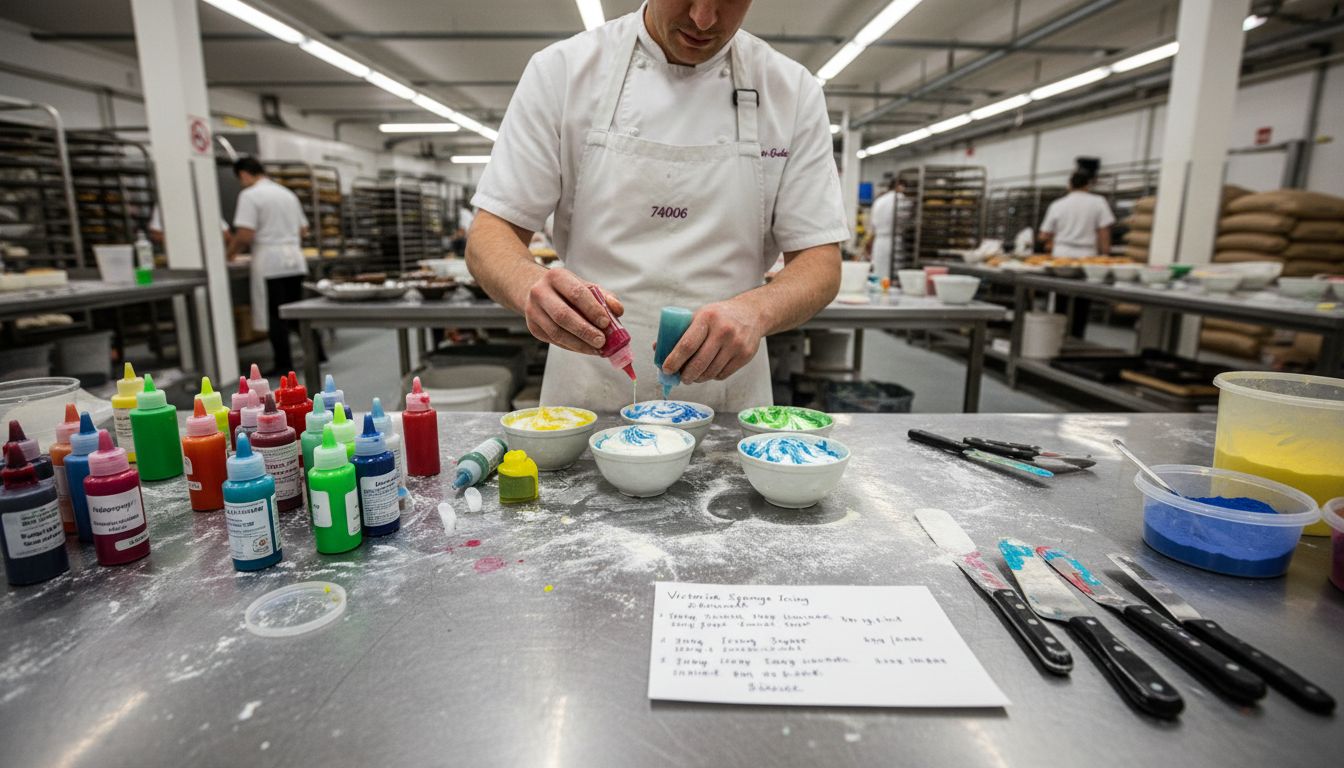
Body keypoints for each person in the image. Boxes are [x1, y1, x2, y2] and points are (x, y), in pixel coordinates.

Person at [465, 0, 847, 411]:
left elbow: (820, 262)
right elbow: (490, 236)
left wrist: (758, 311)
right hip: (586, 401)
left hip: (725, 403)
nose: (704, 18)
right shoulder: (562, 71)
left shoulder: (791, 89)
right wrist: (529, 285)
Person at [226, 156, 309, 374]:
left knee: (276, 315)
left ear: (244, 174)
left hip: (270, 261)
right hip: (294, 258)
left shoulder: (250, 195)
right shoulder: (287, 193)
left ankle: (284, 364)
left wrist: (230, 254)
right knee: (299, 310)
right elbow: (303, 230)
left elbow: (245, 234)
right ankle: (316, 353)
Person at [1039, 171, 1116, 257]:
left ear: (1069, 186)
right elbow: (1104, 231)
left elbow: (1044, 235)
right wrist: (1105, 254)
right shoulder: (1099, 202)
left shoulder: (1057, 204)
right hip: (1087, 253)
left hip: (1062, 253)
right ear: (1087, 185)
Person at [865, 177, 910, 281]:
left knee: (879, 273)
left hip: (879, 241)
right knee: (893, 275)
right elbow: (906, 220)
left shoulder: (879, 200)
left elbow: (872, 226)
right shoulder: (900, 198)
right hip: (894, 241)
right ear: (900, 186)